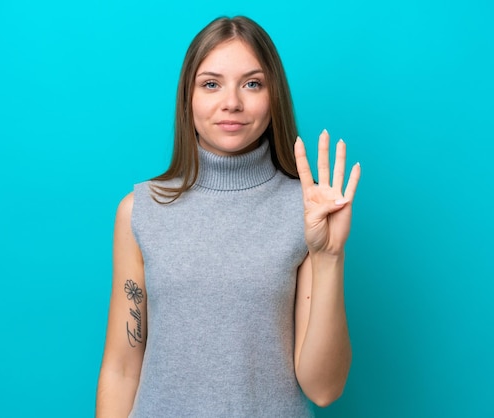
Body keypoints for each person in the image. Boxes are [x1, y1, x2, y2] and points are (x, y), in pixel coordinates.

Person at [96, 15, 361, 417]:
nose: (232, 102)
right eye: (211, 83)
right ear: (188, 97)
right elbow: (120, 368)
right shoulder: (141, 211)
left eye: (252, 83)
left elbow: (323, 389)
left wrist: (329, 257)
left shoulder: (306, 212)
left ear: (275, 96)